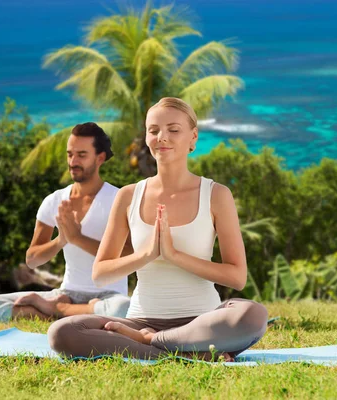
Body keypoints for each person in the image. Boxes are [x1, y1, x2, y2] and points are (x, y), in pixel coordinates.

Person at [47, 98, 268, 360]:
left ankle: (153, 344)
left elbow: (237, 276)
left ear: (193, 138)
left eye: (173, 130)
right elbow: (101, 274)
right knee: (62, 333)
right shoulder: (129, 196)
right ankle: (189, 355)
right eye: (153, 131)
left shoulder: (216, 194)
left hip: (201, 323)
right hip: (140, 320)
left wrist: (175, 256)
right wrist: (147, 255)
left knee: (253, 315)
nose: (162, 137)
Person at [0, 122, 130, 322]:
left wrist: (78, 238)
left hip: (108, 297)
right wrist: (61, 241)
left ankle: (57, 311)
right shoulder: (54, 200)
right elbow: (32, 259)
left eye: (81, 155)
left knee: (123, 309)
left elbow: (130, 254)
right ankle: (67, 310)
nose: (73, 161)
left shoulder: (119, 199)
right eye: (70, 154)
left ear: (100, 158)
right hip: (66, 292)